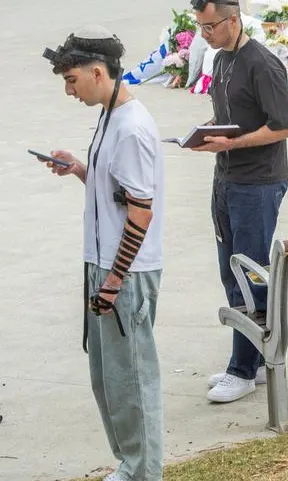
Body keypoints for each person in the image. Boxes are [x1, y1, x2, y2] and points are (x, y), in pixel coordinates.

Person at [40, 26, 165, 481]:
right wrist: (79, 168)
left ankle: (145, 471)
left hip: (124, 272)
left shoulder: (131, 129)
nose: (68, 90)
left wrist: (114, 281)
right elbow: (115, 192)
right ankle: (131, 464)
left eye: (71, 80)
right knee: (108, 378)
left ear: (97, 72)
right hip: (104, 264)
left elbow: (141, 213)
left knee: (131, 379)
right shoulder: (110, 116)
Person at [190, 0, 288, 403]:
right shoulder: (221, 61)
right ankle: (248, 361)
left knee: (248, 272)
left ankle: (243, 369)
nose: (206, 35)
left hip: (257, 183)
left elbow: (285, 126)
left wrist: (232, 142)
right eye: (200, 27)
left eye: (211, 27)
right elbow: (232, 116)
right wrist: (207, 135)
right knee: (228, 270)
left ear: (233, 21)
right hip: (226, 177)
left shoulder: (263, 64)